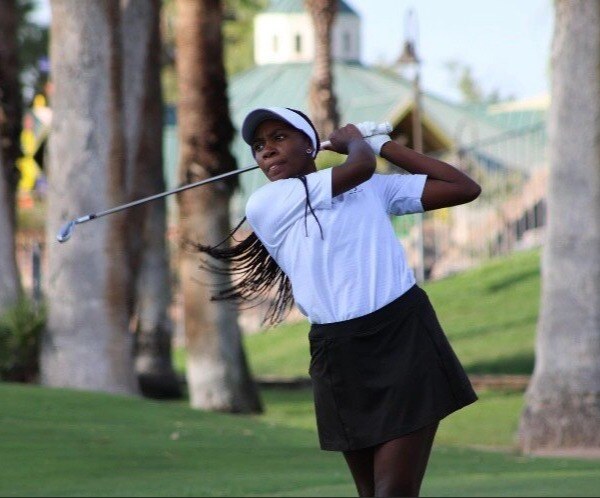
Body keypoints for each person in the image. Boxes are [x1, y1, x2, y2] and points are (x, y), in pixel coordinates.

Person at [195, 107, 481, 497]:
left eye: (280, 138)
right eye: (259, 146)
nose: (267, 151)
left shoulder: (372, 188)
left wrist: (384, 146)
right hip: (337, 351)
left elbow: (464, 187)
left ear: (311, 145)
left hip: (404, 336)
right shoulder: (268, 202)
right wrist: (359, 144)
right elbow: (358, 167)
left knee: (394, 491)